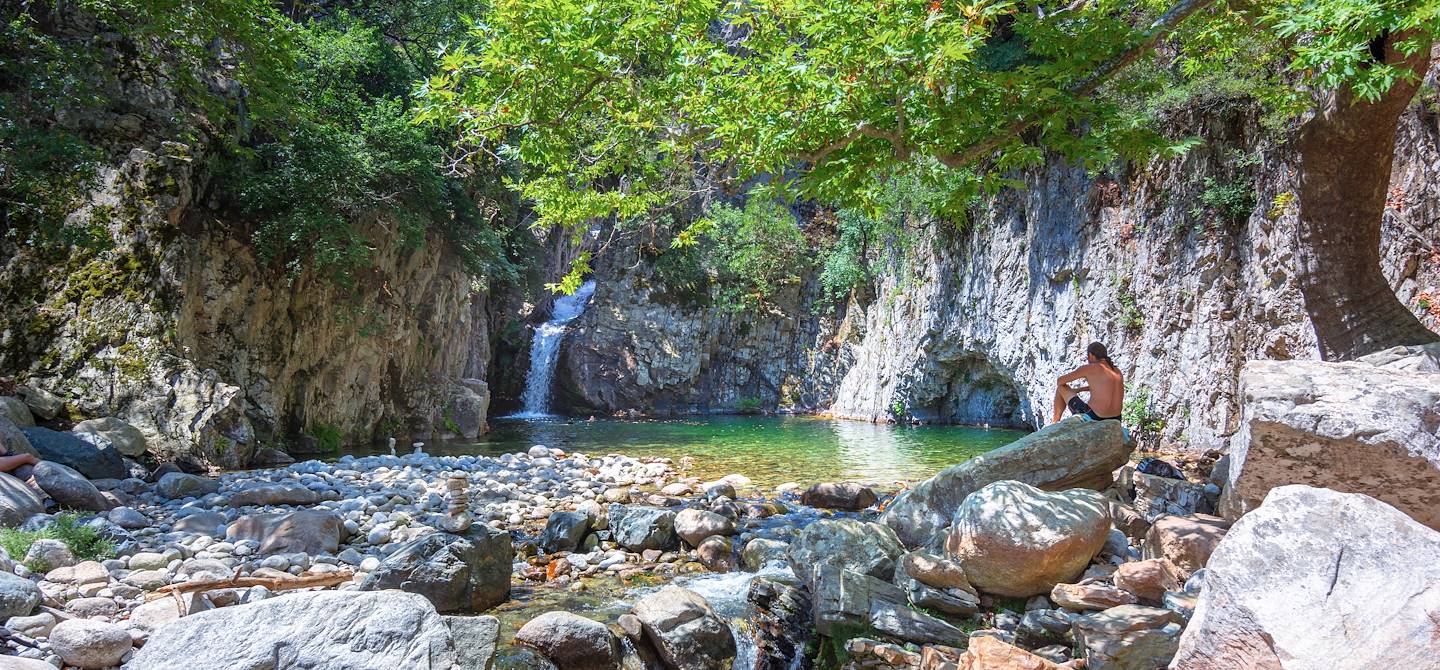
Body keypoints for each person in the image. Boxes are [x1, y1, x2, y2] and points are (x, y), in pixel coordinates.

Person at [1051, 342, 1124, 423]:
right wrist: (1079, 389)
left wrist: (1074, 390)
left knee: (1061, 388)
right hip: (1116, 419)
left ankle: (1054, 423)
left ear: (1090, 355)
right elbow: (1104, 388)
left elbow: (1060, 381)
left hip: (1094, 417)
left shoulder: (1089, 368)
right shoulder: (1117, 371)